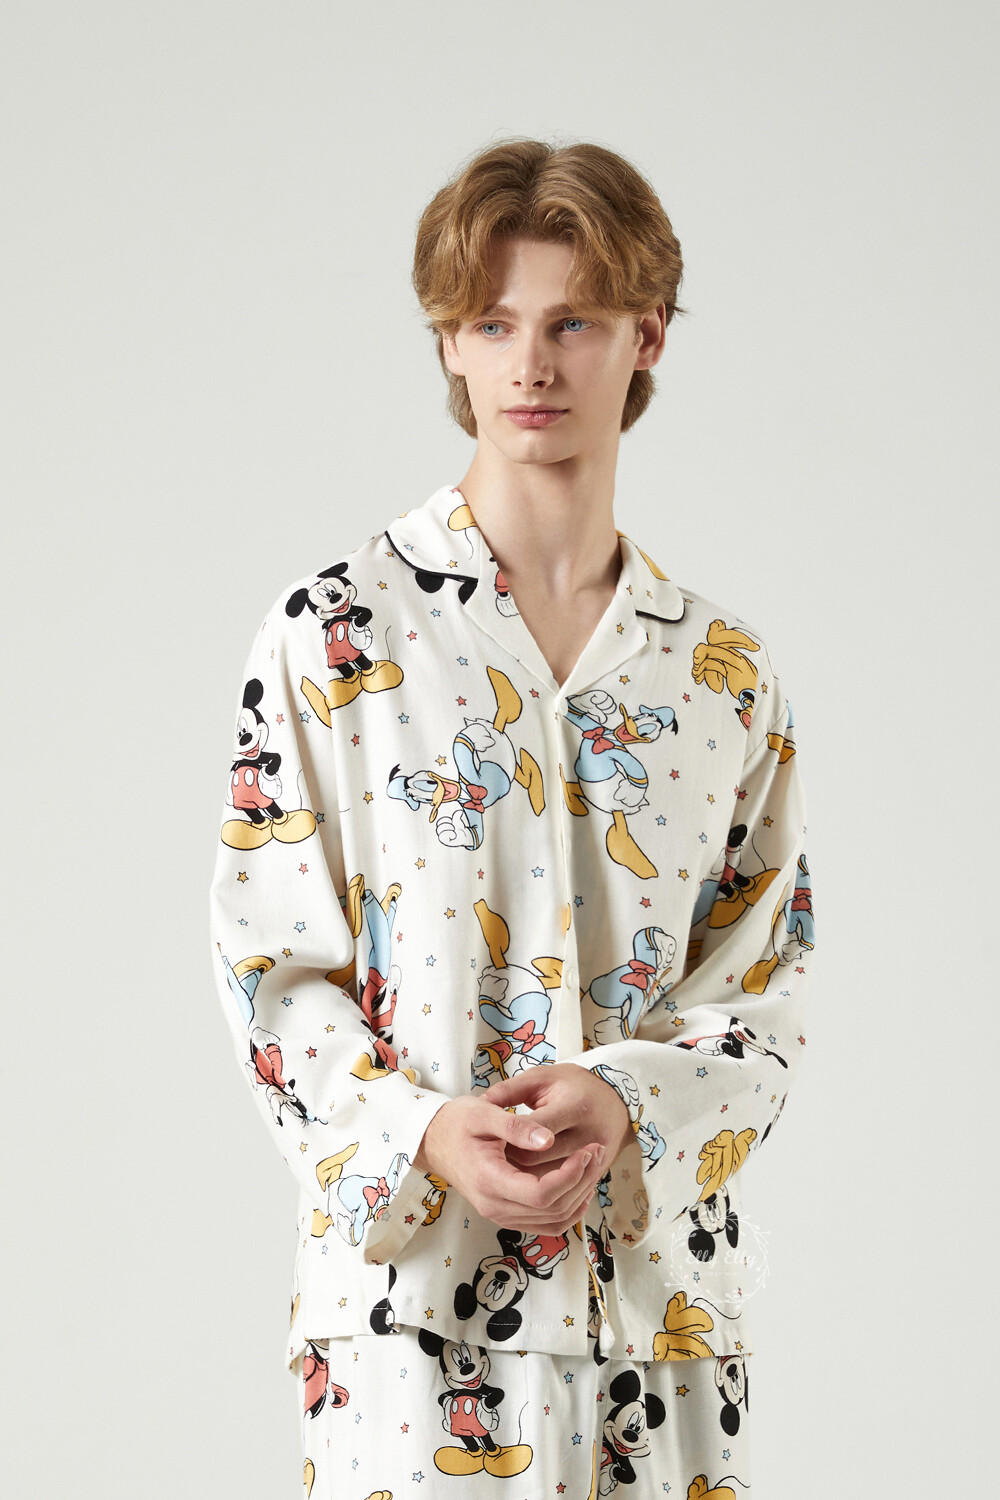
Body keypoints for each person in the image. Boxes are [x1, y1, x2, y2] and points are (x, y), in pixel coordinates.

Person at [209, 136, 813, 1499]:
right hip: (411, 1324)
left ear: (647, 336)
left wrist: (626, 1098)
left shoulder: (723, 674)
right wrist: (423, 1135)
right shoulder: (335, 636)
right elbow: (269, 965)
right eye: (492, 323)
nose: (531, 364)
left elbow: (766, 984)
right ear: (449, 343)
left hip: (660, 1326)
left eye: (573, 322)